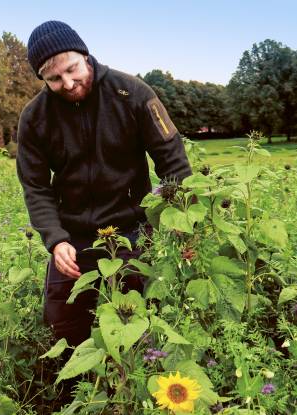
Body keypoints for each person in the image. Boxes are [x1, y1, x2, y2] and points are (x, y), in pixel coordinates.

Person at [16, 20, 192, 357]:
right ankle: (75, 400)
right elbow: (35, 186)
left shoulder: (133, 94)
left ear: (85, 55)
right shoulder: (35, 117)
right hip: (73, 236)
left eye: (72, 69)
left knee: (140, 325)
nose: (68, 83)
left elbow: (174, 163)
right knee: (64, 329)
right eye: (54, 79)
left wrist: (178, 223)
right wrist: (55, 238)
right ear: (43, 79)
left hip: (133, 229)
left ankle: (135, 392)